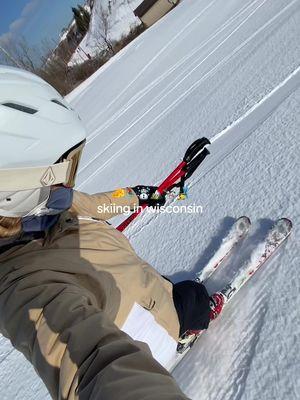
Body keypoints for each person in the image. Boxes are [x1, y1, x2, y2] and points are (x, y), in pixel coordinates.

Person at [0, 66, 224, 399]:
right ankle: (188, 326)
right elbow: (91, 364)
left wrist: (137, 195)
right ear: (16, 185)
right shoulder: (24, 288)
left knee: (162, 282)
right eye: (66, 166)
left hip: (143, 285)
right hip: (147, 339)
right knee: (192, 297)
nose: (71, 182)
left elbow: (97, 204)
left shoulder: (42, 206)